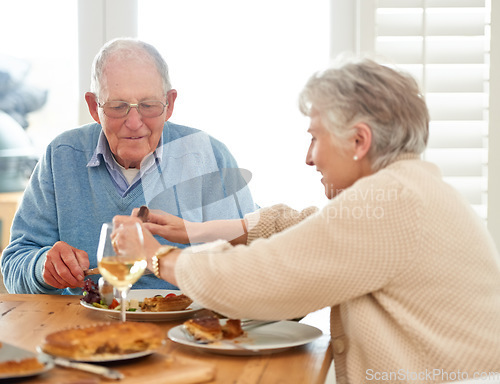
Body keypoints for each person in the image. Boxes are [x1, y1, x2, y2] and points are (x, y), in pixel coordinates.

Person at [114, 57, 500, 383]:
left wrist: (157, 256)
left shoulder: (391, 201)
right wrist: (192, 231)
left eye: (315, 137)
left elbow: (257, 278)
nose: (309, 157)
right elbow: (309, 227)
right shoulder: (406, 191)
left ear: (359, 142)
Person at [0, 38, 255, 295]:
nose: (134, 122)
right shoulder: (61, 156)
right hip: (83, 327)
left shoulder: (208, 157)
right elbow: (14, 266)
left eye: (148, 106)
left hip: (184, 330)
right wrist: (41, 267)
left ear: (169, 104)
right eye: (118, 107)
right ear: (93, 106)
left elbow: (249, 266)